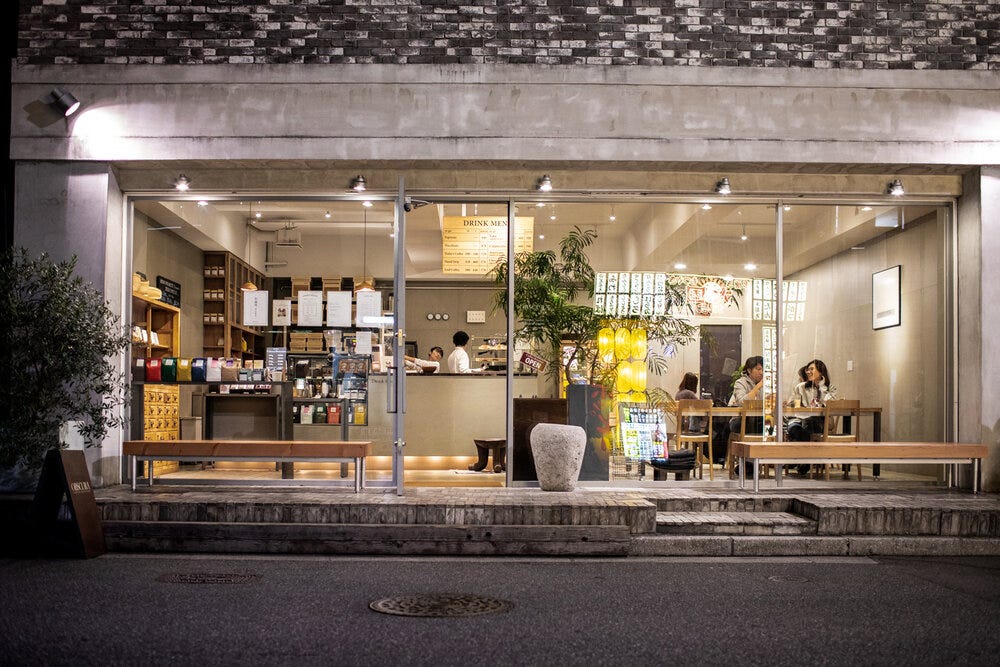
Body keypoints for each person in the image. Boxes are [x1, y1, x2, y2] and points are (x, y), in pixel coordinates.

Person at [786, 358, 838, 475]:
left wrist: (821, 386)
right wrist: (790, 403)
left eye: (811, 369)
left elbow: (830, 404)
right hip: (799, 419)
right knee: (795, 428)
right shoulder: (801, 387)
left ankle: (802, 461)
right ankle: (806, 460)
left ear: (821, 371)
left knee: (809, 423)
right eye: (807, 370)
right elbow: (792, 403)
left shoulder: (830, 388)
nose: (808, 372)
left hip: (822, 421)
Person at [726, 355, 765, 469]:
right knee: (751, 421)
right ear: (749, 370)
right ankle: (749, 463)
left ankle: (760, 461)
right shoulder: (740, 383)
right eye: (758, 369)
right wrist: (757, 387)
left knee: (768, 423)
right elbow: (743, 402)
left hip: (757, 419)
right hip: (738, 421)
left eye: (763, 369)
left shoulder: (765, 384)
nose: (761, 372)